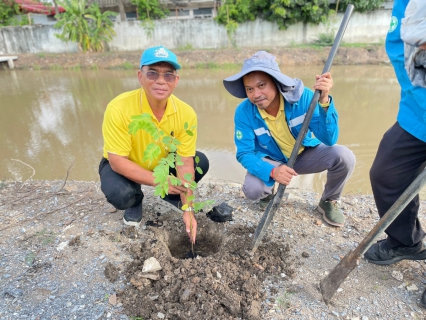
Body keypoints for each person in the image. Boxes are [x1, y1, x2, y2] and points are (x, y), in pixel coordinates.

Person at [223, 51, 355, 227]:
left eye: (262, 85)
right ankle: (268, 193)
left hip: (302, 155)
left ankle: (328, 201)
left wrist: (324, 102)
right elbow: (245, 153)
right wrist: (272, 172)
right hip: (272, 160)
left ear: (276, 82)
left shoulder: (305, 97)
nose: (256, 94)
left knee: (344, 156)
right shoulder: (244, 112)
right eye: (250, 89)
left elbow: (329, 139)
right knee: (253, 190)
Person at [98, 45, 209, 243]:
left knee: (200, 161)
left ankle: (171, 196)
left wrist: (189, 209)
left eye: (168, 75)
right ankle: (135, 199)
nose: (160, 81)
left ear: (176, 81)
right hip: (125, 164)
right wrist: (160, 181)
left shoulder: (186, 113)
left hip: (162, 164)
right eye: (152, 73)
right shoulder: (119, 107)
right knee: (120, 194)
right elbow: (116, 161)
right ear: (140, 77)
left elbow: (184, 161)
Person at [362, 0, 426, 309]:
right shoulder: (408, 3)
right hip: (419, 109)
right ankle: (406, 242)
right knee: (386, 173)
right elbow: (399, 51)